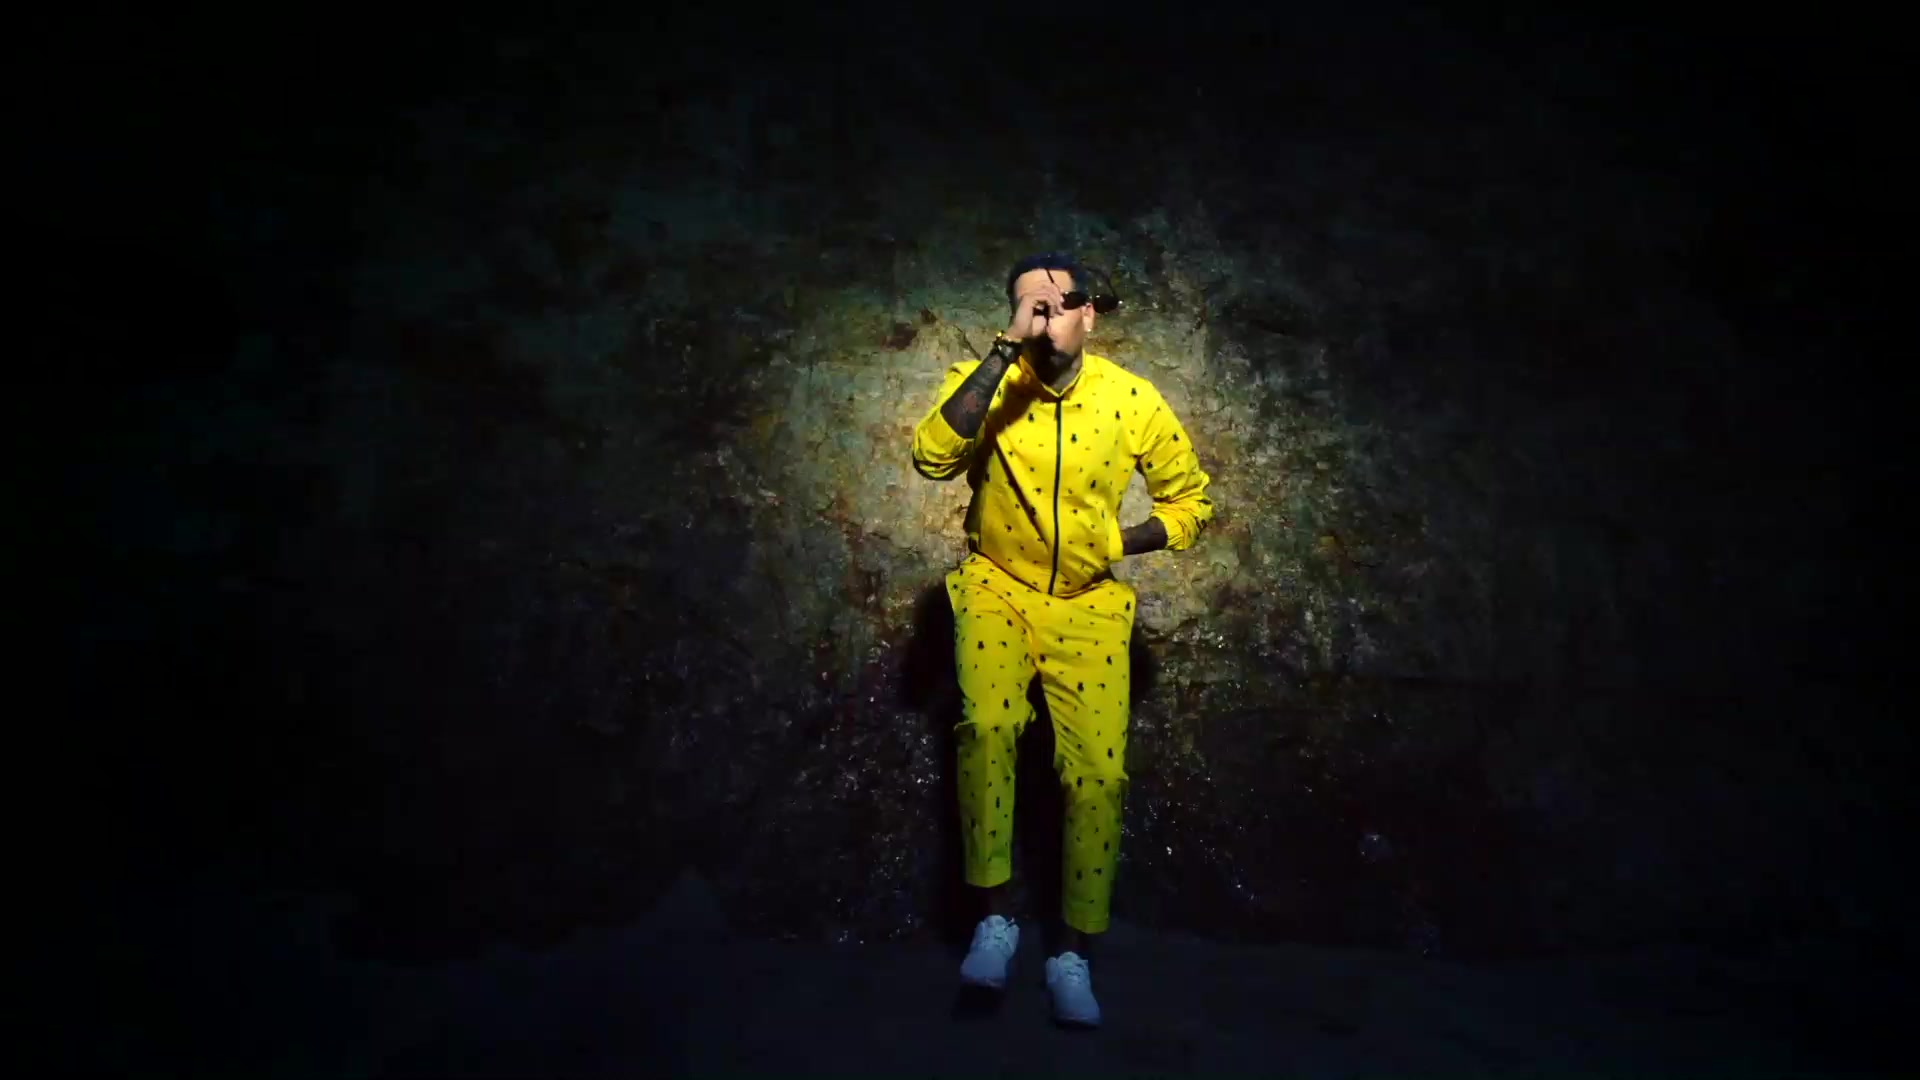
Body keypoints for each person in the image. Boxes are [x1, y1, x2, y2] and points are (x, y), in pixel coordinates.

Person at [910, 252, 1216, 1027]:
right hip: (996, 586)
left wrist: (1118, 540)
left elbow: (1191, 506)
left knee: (1098, 778)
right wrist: (1003, 351)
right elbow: (932, 457)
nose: (1043, 317)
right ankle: (994, 923)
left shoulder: (1132, 399)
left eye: (1056, 304)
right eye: (1027, 305)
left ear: (1090, 314)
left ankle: (1071, 953)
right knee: (987, 727)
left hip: (1087, 604)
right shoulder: (986, 380)